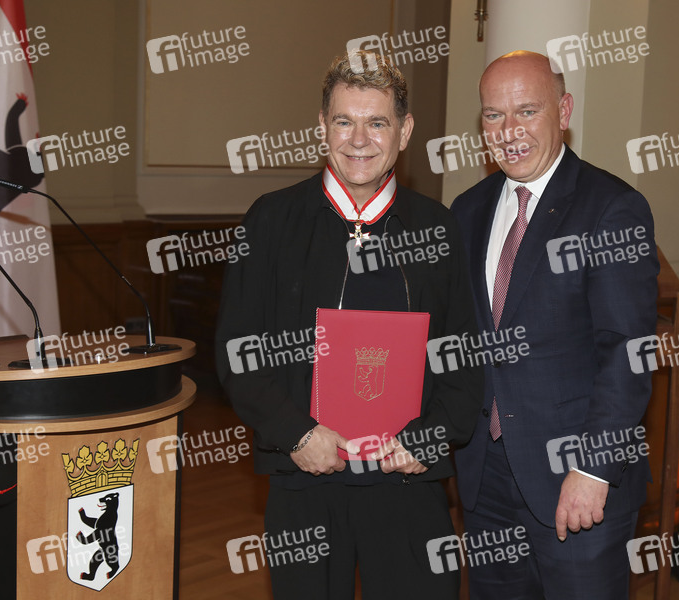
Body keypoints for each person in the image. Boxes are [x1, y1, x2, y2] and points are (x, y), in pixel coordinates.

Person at [215, 52, 481, 599]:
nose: (359, 140)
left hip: (409, 482)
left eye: (377, 122)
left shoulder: (438, 227)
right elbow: (237, 351)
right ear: (322, 127)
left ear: (405, 131)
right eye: (344, 121)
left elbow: (464, 354)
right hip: (305, 477)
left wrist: (430, 437)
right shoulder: (271, 220)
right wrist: (295, 433)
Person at [450, 50, 659, 599]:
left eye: (527, 110)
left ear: (563, 111)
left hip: (578, 480)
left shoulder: (612, 208)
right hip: (485, 478)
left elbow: (628, 351)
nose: (509, 131)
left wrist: (593, 470)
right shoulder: (467, 211)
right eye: (493, 115)